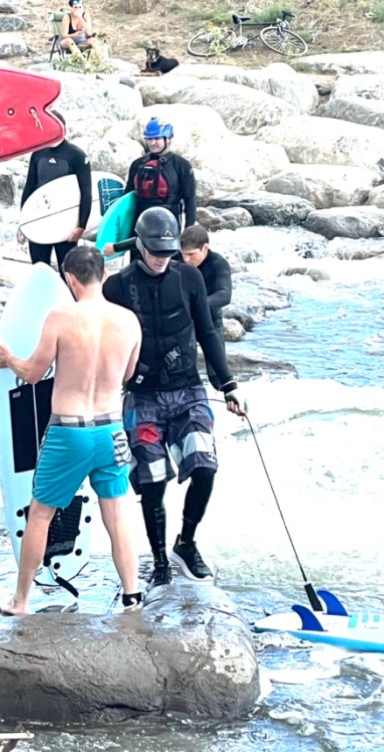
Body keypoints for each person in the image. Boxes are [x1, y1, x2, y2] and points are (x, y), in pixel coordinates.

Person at [0, 245, 143, 614]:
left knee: (40, 513)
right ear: (104, 276)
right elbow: (127, 375)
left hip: (69, 432)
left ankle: (21, 599)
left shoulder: (60, 317)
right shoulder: (129, 321)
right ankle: (132, 595)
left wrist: (7, 358)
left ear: (71, 280)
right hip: (112, 431)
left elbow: (32, 373)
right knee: (117, 513)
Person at [102, 207, 245, 588]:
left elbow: (208, 332)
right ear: (140, 244)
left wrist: (227, 383)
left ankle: (186, 542)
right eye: (155, 252)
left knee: (205, 466)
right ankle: (160, 561)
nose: (162, 259)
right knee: (151, 480)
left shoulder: (190, 277)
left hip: (187, 388)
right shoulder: (117, 287)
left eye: (168, 253)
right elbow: (102, 339)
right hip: (143, 394)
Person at [103, 116, 196, 262]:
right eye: (149, 139)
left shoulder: (182, 166)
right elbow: (127, 201)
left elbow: (190, 201)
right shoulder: (137, 165)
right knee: (138, 268)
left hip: (169, 226)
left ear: (169, 138)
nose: (152, 143)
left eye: (157, 138)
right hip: (140, 226)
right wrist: (121, 235)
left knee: (170, 268)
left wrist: (189, 232)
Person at [17, 111, 91, 273]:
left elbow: (87, 193)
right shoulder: (38, 153)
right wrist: (23, 224)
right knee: (39, 271)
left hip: (65, 224)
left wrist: (81, 226)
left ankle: (68, 299)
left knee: (68, 273)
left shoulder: (77, 155)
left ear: (62, 128)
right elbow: (30, 188)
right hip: (38, 221)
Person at [180, 224, 232, 389]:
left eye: (191, 254)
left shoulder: (218, 263)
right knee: (180, 371)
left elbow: (225, 295)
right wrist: (116, 247)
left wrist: (198, 304)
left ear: (205, 248)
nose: (186, 260)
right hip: (184, 322)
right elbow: (145, 241)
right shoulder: (176, 259)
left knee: (218, 377)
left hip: (210, 321)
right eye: (183, 255)